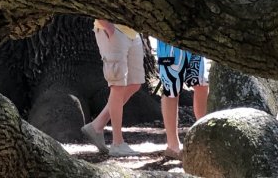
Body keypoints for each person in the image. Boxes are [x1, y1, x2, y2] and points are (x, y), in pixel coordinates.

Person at [82, 19, 143, 157]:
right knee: (117, 85)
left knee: (135, 84)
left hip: (133, 32)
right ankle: (117, 143)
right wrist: (108, 27)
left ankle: (96, 125)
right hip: (113, 30)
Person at [155, 38, 209, 160]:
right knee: (171, 89)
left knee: (202, 84)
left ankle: (204, 137)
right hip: (170, 42)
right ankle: (172, 146)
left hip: (196, 39)